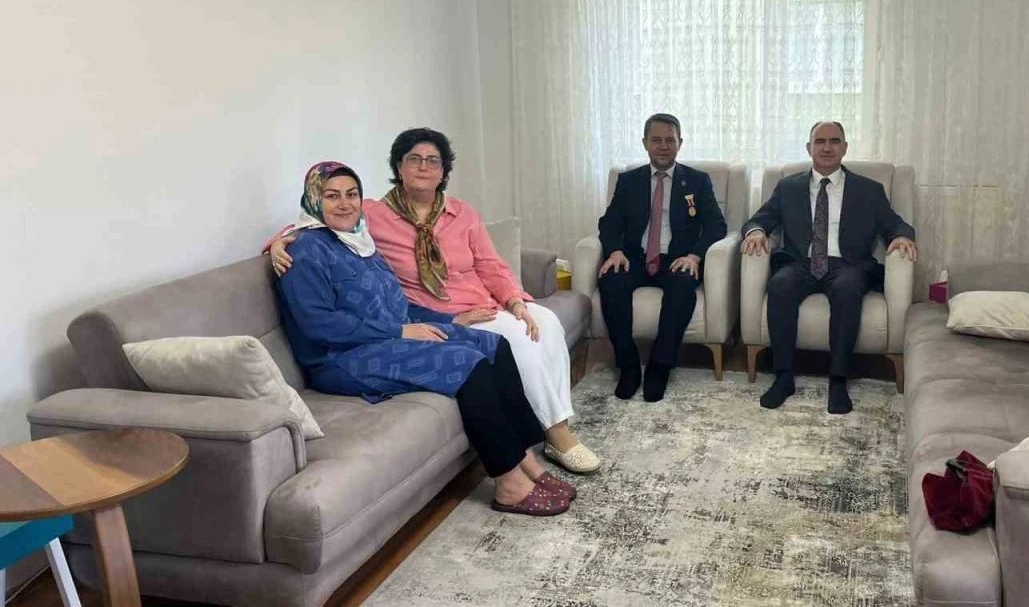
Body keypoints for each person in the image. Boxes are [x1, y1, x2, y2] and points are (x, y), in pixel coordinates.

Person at [269, 130, 600, 475]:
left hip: (473, 306)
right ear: (399, 167)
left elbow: (490, 264)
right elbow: (310, 228)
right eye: (414, 159)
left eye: (433, 161)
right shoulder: (370, 217)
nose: (424, 167)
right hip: (423, 316)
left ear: (443, 171)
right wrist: (279, 243)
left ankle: (543, 439)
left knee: (541, 325)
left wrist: (514, 301)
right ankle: (545, 445)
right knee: (511, 345)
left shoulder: (448, 216)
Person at [741, 121, 918, 413]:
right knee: (780, 285)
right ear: (808, 148)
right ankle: (783, 376)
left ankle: (838, 380)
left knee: (848, 288)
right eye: (819, 141)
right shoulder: (788, 187)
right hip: (801, 262)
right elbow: (758, 220)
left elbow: (895, 224)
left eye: (834, 141)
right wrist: (757, 232)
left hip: (847, 264)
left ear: (844, 148)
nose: (826, 147)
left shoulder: (869, 190)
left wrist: (901, 236)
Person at [595, 113, 728, 402]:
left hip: (677, 259)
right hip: (635, 257)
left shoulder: (697, 181)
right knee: (610, 281)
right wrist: (614, 251)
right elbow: (610, 222)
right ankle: (628, 365)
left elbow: (717, 225)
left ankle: (659, 365)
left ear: (680, 143)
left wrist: (695, 256)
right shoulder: (628, 181)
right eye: (657, 140)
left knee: (682, 285)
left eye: (670, 140)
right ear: (645, 143)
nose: (664, 146)